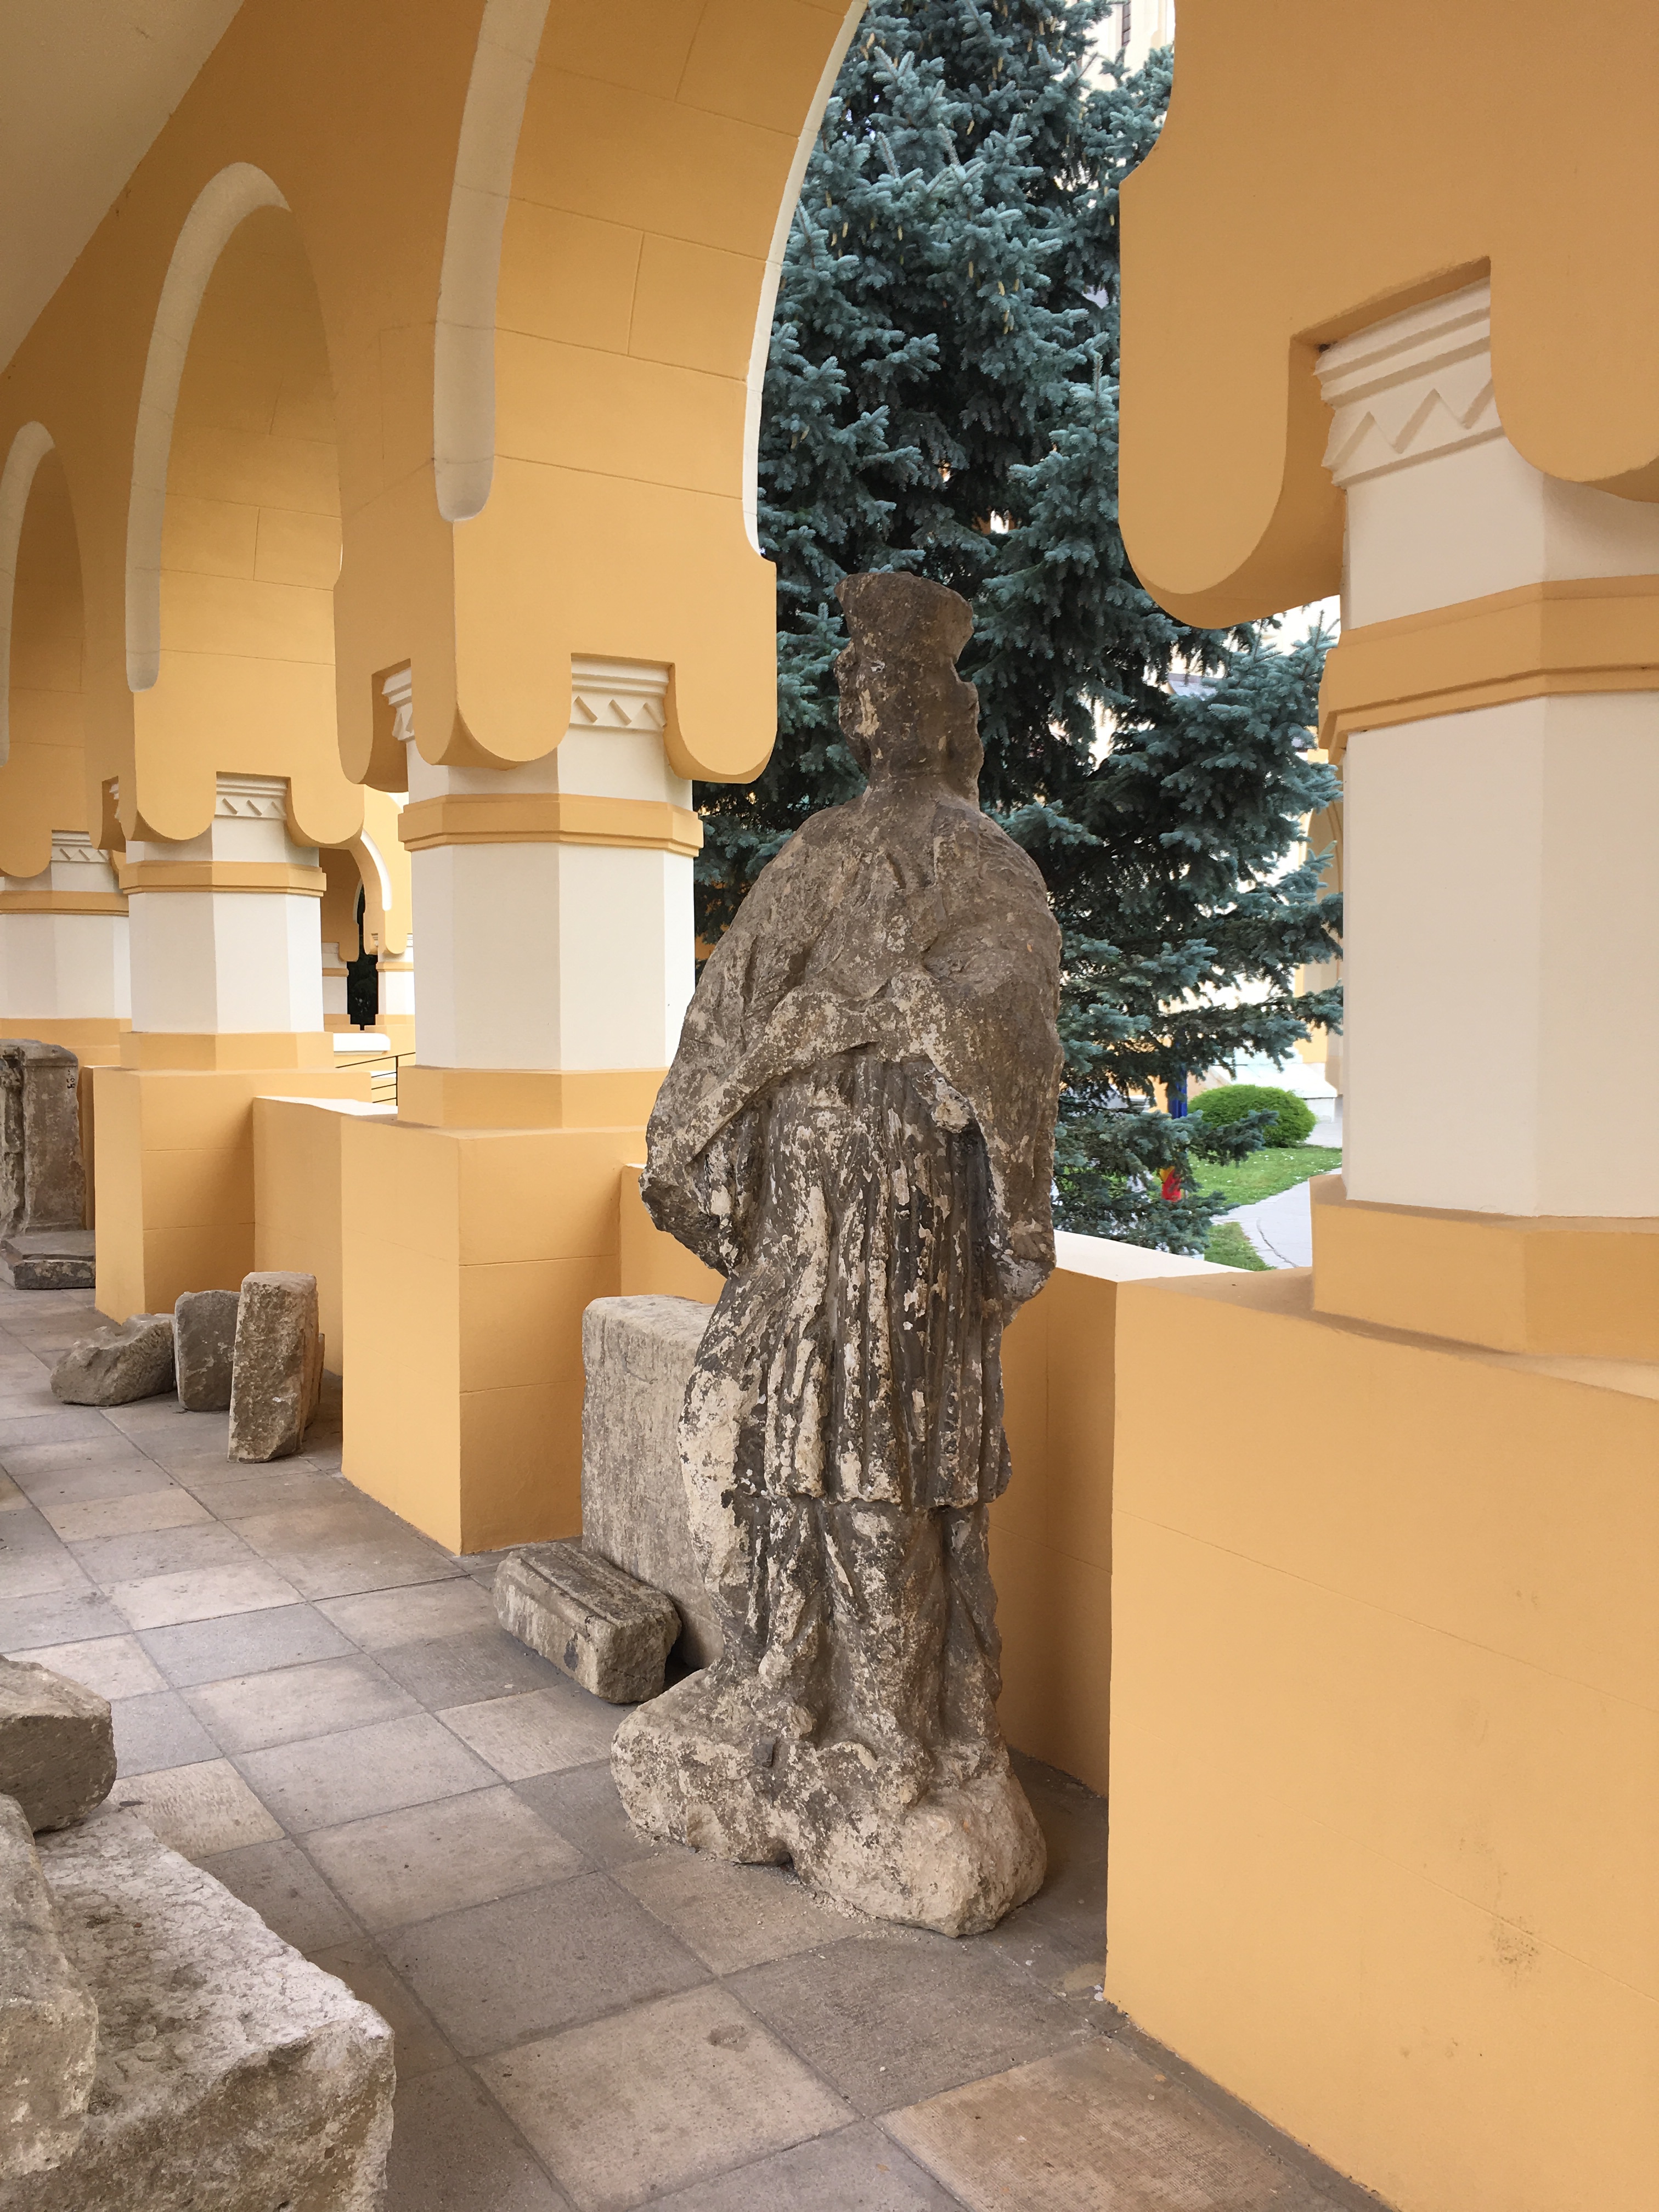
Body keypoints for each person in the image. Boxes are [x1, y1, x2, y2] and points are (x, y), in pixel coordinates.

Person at [616, 571, 1063, 1935]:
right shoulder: (814, 851)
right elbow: (730, 1019)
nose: (869, 701)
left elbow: (1011, 1033)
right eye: (856, 682)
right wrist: (776, 1056)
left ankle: (900, 1735)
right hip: (799, 1229)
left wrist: (891, 1012)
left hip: (898, 1227)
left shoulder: (984, 862)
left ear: (942, 702)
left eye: (894, 680)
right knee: (757, 1452)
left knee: (882, 1478)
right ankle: (787, 1690)